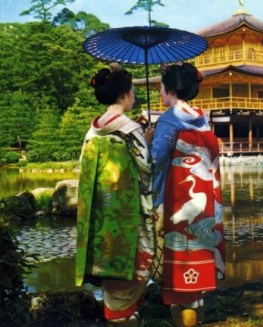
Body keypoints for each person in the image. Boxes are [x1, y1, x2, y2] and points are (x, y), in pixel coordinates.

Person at [147, 62, 226, 327]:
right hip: (203, 205)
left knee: (179, 284)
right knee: (196, 287)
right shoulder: (202, 119)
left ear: (167, 89)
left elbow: (155, 160)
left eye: (160, 87)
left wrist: (147, 140)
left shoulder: (169, 119)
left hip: (174, 203)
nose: (159, 92)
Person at [76, 63, 154, 325]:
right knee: (133, 268)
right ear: (126, 94)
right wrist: (149, 142)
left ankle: (117, 313)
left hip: (100, 214)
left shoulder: (92, 131)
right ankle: (124, 316)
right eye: (132, 90)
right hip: (128, 213)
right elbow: (147, 171)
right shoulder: (130, 130)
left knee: (108, 267)